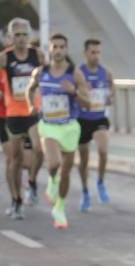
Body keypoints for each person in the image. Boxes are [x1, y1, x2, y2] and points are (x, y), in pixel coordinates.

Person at [28, 33, 90, 230]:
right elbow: (30, 89)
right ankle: (51, 180)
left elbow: (87, 102)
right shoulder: (41, 71)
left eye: (62, 47)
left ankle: (60, 208)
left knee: (67, 170)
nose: (59, 51)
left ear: (67, 49)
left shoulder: (75, 73)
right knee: (54, 163)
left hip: (70, 126)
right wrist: (32, 105)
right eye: (55, 47)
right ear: (50, 49)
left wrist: (73, 92)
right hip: (48, 125)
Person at [1, 19, 44, 217]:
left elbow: (49, 77)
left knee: (39, 149)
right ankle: (16, 200)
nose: (21, 38)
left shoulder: (38, 55)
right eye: (17, 35)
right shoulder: (4, 58)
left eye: (24, 34)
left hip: (33, 112)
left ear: (30, 36)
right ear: (10, 37)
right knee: (15, 160)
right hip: (12, 114)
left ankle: (32, 182)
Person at [75, 39, 115, 210]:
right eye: (93, 52)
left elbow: (112, 88)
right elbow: (71, 93)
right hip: (82, 119)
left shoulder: (105, 72)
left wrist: (110, 97)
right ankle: (85, 192)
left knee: (103, 151)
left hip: (99, 118)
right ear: (86, 53)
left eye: (98, 52)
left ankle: (100, 182)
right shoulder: (79, 72)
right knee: (83, 160)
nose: (96, 56)